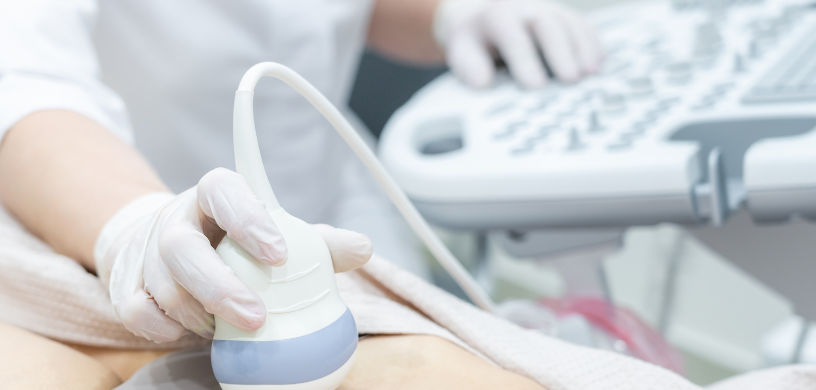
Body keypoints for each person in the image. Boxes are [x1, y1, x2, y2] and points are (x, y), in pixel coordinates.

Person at [0, 0, 603, 343]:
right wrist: (133, 228)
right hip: (124, 219)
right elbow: (24, 84)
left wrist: (452, 13)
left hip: (333, 195)